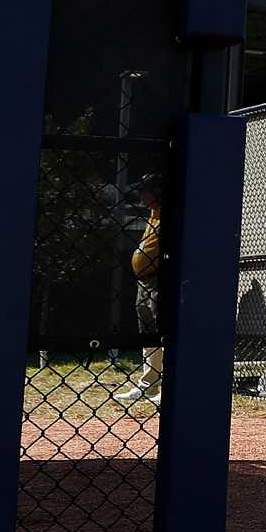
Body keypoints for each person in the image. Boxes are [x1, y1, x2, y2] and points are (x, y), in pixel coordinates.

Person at [115, 174, 167, 406]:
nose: (141, 195)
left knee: (163, 329)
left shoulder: (170, 212)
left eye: (145, 191)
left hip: (159, 278)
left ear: (157, 191)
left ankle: (166, 385)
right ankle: (148, 383)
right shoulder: (153, 214)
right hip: (144, 280)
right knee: (147, 331)